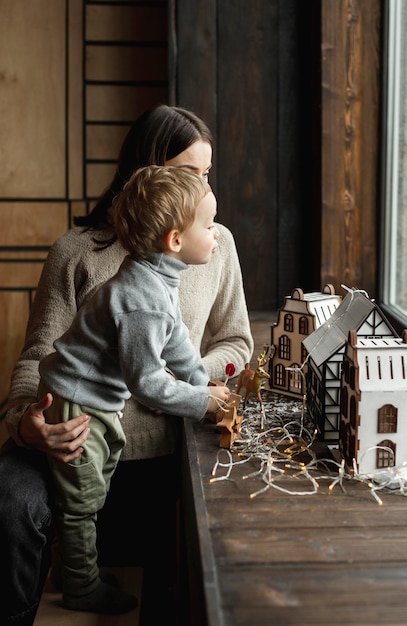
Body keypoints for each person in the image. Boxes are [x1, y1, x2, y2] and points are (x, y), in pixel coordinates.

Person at [0, 104, 253, 625]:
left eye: (207, 175)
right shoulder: (78, 252)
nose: (206, 193)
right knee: (19, 500)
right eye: (189, 176)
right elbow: (38, 356)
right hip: (79, 423)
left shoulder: (214, 242)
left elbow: (232, 343)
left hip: (173, 443)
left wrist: (196, 384)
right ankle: (70, 587)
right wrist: (27, 422)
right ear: (148, 174)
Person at [37, 165, 230, 614]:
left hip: (92, 398)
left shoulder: (156, 277)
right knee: (82, 499)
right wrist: (202, 403)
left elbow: (178, 342)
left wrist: (203, 381)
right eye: (208, 224)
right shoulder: (142, 298)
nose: (216, 233)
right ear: (176, 241)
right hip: (76, 403)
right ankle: (80, 588)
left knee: (91, 489)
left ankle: (72, 572)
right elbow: (148, 383)